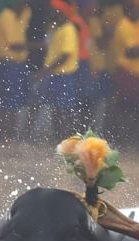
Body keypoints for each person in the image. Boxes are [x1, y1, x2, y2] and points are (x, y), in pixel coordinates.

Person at [0, 0, 32, 143]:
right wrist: (39, 45)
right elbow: (15, 45)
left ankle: (10, 136)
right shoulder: (6, 15)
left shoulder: (20, 15)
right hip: (8, 65)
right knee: (8, 103)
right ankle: (4, 136)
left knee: (14, 103)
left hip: (16, 65)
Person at [111, 0, 139, 142]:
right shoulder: (124, 25)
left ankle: (137, 142)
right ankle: (123, 141)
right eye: (138, 8)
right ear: (129, 9)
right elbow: (132, 52)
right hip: (126, 74)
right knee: (125, 110)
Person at [43, 2, 82, 139]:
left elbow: (65, 55)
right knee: (55, 108)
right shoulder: (57, 28)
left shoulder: (68, 29)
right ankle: (58, 137)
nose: (50, 12)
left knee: (65, 109)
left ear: (62, 11)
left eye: (54, 10)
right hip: (56, 75)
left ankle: (67, 137)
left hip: (65, 75)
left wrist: (46, 70)